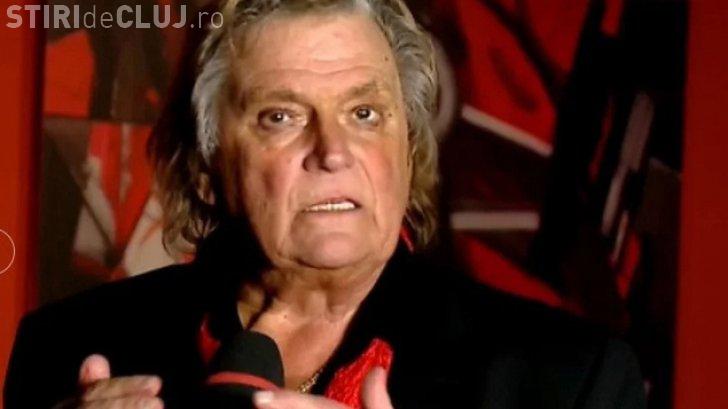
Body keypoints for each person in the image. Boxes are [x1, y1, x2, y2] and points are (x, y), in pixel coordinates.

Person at [4, 0, 647, 408]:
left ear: (407, 149)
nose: (333, 151)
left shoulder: (571, 379)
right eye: (281, 116)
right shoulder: (64, 348)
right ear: (204, 166)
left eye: (364, 113)